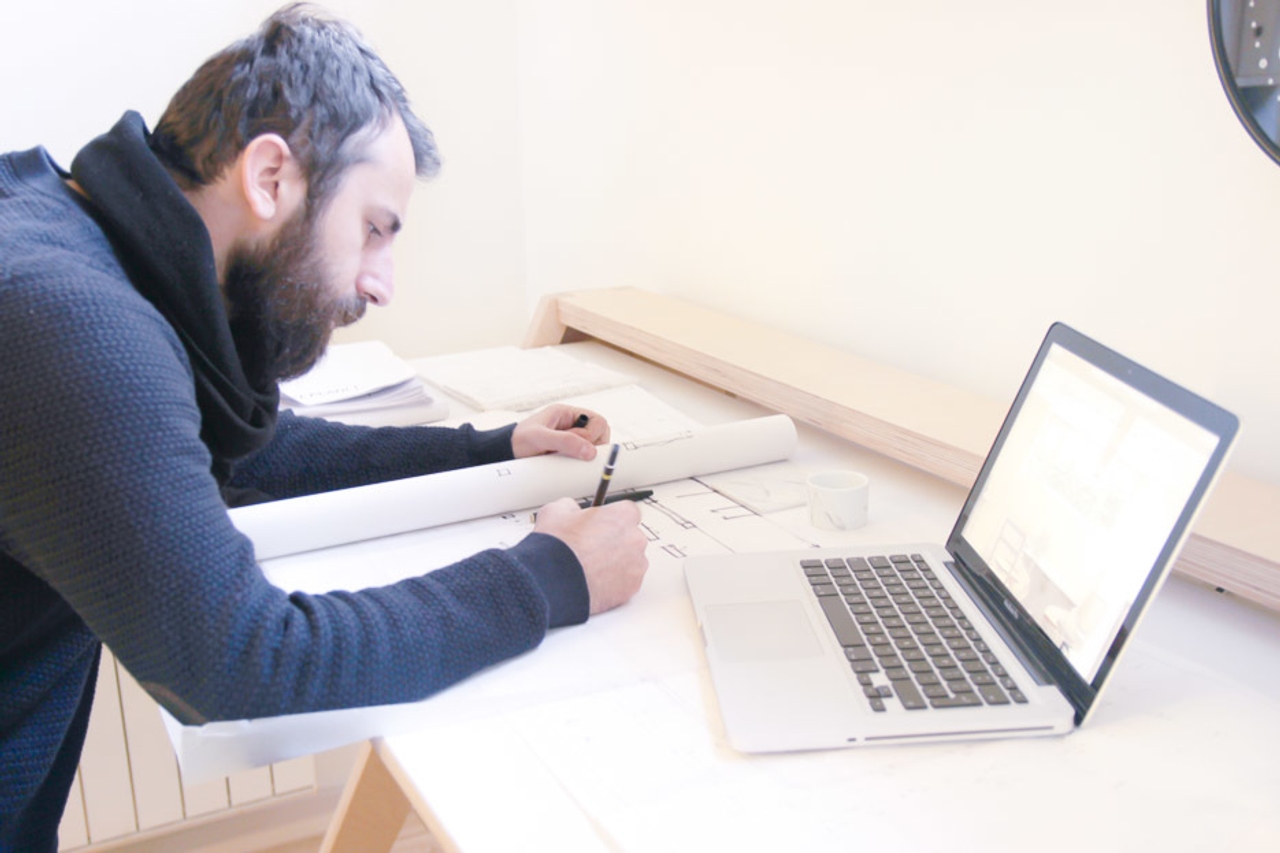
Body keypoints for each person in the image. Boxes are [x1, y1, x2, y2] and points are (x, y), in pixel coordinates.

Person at [0, 5, 649, 849]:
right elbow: (245, 663)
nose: (381, 284)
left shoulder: (73, 245)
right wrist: (548, 577)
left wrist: (488, 447)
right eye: (374, 229)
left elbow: (250, 448)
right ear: (270, 177)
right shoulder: (69, 324)